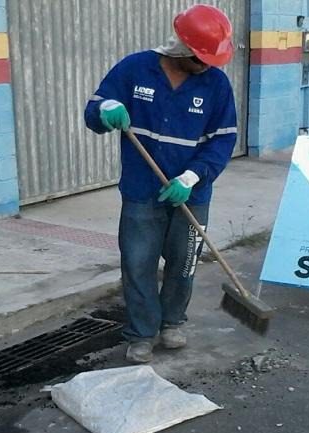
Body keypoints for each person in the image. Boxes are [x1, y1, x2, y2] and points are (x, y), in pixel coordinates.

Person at [84, 4, 238, 363]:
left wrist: (191, 176)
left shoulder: (216, 84)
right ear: (182, 48)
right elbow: (94, 111)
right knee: (138, 263)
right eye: (201, 59)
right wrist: (106, 110)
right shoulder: (135, 68)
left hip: (192, 193)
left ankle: (172, 322)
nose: (208, 66)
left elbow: (223, 140)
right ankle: (141, 333)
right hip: (141, 191)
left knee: (184, 263)